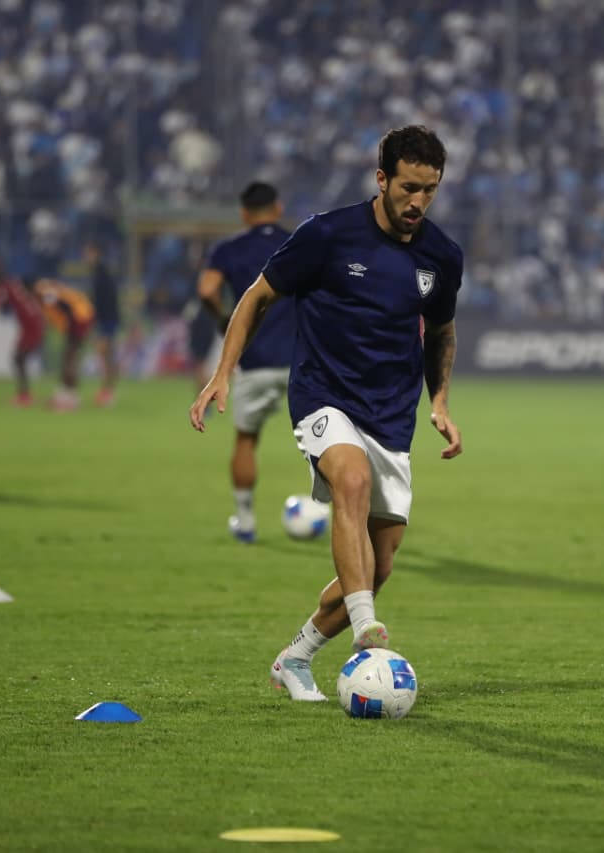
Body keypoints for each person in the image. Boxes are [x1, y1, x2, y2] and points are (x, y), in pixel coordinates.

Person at [189, 126, 463, 702]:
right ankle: (369, 632)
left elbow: (440, 331)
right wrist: (223, 371)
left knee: (378, 564)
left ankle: (297, 655)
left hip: (391, 414)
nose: (418, 202)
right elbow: (257, 295)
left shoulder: (441, 256)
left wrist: (438, 401)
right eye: (409, 187)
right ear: (382, 179)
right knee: (351, 479)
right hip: (323, 394)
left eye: (430, 191)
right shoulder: (327, 235)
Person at [197, 182, 293, 543]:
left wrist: (223, 318)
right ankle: (325, 510)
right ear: (278, 208)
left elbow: (206, 289)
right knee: (324, 440)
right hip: (303, 360)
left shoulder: (230, 249)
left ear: (244, 213)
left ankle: (246, 519)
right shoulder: (299, 240)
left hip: (255, 359)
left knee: (247, 439)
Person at [35, 278, 94, 411]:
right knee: (69, 358)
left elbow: (66, 308)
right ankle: (66, 394)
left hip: (77, 322)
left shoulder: (45, 293)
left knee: (70, 358)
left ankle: (70, 397)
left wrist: (70, 328)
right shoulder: (51, 291)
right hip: (81, 320)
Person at [0, 266, 45, 407]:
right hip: (32, 327)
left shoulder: (9, 288)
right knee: (19, 359)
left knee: (18, 358)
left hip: (30, 329)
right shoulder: (18, 288)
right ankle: (24, 394)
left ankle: (24, 395)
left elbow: (0, 301)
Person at [85, 241, 120, 407]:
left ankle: (107, 392)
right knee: (106, 355)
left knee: (104, 355)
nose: (86, 257)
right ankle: (108, 390)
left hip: (107, 320)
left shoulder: (101, 273)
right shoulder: (101, 272)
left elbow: (103, 300)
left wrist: (97, 319)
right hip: (108, 319)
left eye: (89, 253)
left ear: (96, 253)